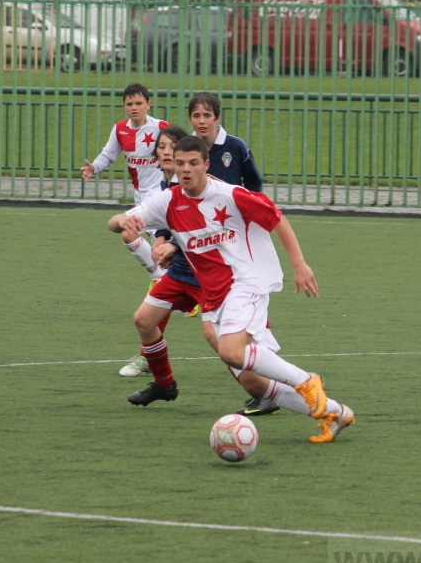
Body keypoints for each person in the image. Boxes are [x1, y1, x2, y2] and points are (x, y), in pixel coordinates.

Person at [108, 135, 354, 443]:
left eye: (193, 163)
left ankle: (307, 380)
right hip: (216, 296)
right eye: (180, 163)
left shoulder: (231, 195)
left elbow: (277, 218)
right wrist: (123, 224)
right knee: (255, 382)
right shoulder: (168, 200)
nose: (186, 170)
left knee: (231, 351)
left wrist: (300, 265)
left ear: (206, 165)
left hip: (247, 282)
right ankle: (335, 413)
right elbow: (116, 221)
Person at [117, 91, 267, 379]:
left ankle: (266, 379)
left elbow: (250, 190)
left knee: (219, 332)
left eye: (206, 115)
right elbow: (173, 212)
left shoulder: (228, 152)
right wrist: (162, 237)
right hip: (194, 257)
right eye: (196, 115)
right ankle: (154, 367)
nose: (201, 120)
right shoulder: (173, 180)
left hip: (223, 253)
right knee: (147, 315)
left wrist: (173, 243)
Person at [80, 83, 171, 281]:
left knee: (155, 239)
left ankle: (164, 281)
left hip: (158, 191)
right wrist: (94, 168)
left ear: (149, 104)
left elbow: (184, 148)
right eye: (129, 103)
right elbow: (108, 154)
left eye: (139, 103)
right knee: (135, 235)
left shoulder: (161, 128)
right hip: (139, 193)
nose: (134, 107)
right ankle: (165, 279)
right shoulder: (120, 129)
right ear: (124, 106)